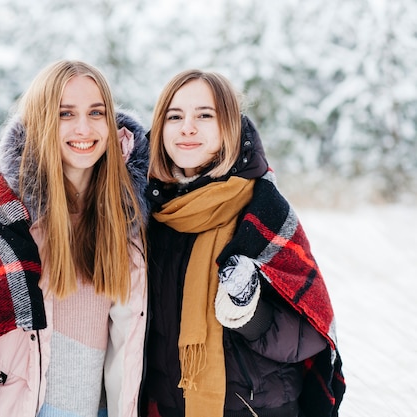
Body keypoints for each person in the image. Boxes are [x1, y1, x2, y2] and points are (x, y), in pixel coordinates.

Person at [0, 60, 150, 417]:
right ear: (40, 120)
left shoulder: (129, 215)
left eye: (96, 112)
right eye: (65, 114)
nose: (83, 128)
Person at [140, 70, 345, 417]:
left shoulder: (262, 210)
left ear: (229, 127)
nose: (187, 127)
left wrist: (248, 309)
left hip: (256, 408)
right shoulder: (149, 213)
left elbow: (311, 333)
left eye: (205, 115)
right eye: (175, 116)